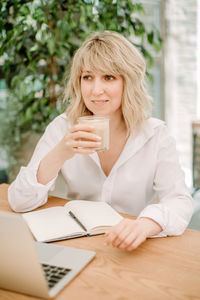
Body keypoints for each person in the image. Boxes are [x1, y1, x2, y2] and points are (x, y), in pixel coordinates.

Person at [8, 31, 194, 251]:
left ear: (128, 81)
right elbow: (20, 201)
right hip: (77, 243)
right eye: (87, 77)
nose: (96, 90)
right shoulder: (63, 128)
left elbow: (180, 201)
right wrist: (60, 153)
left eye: (109, 77)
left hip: (130, 245)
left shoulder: (155, 135)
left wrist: (144, 226)